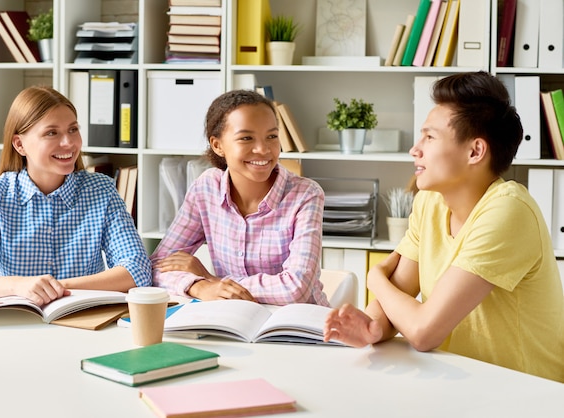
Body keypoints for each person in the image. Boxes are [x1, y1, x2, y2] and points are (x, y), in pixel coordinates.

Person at [324, 71, 564, 383]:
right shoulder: (430, 202)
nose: (415, 149)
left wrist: (374, 277)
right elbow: (398, 292)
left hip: (524, 392)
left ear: (475, 151)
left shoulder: (508, 210)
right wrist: (372, 327)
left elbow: (424, 332)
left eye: (429, 137)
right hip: (456, 380)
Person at [0, 86, 151, 306]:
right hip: (17, 323)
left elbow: (137, 269)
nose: (68, 143)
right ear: (20, 144)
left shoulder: (101, 190)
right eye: (52, 133)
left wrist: (58, 288)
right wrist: (19, 286)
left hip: (83, 323)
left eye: (73, 129)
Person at [151, 89, 328, 306]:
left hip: (297, 327)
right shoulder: (206, 188)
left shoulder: (306, 195)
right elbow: (158, 266)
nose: (263, 149)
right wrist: (200, 286)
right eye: (246, 138)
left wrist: (213, 279)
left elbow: (295, 289)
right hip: (233, 322)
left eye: (272, 136)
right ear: (217, 145)